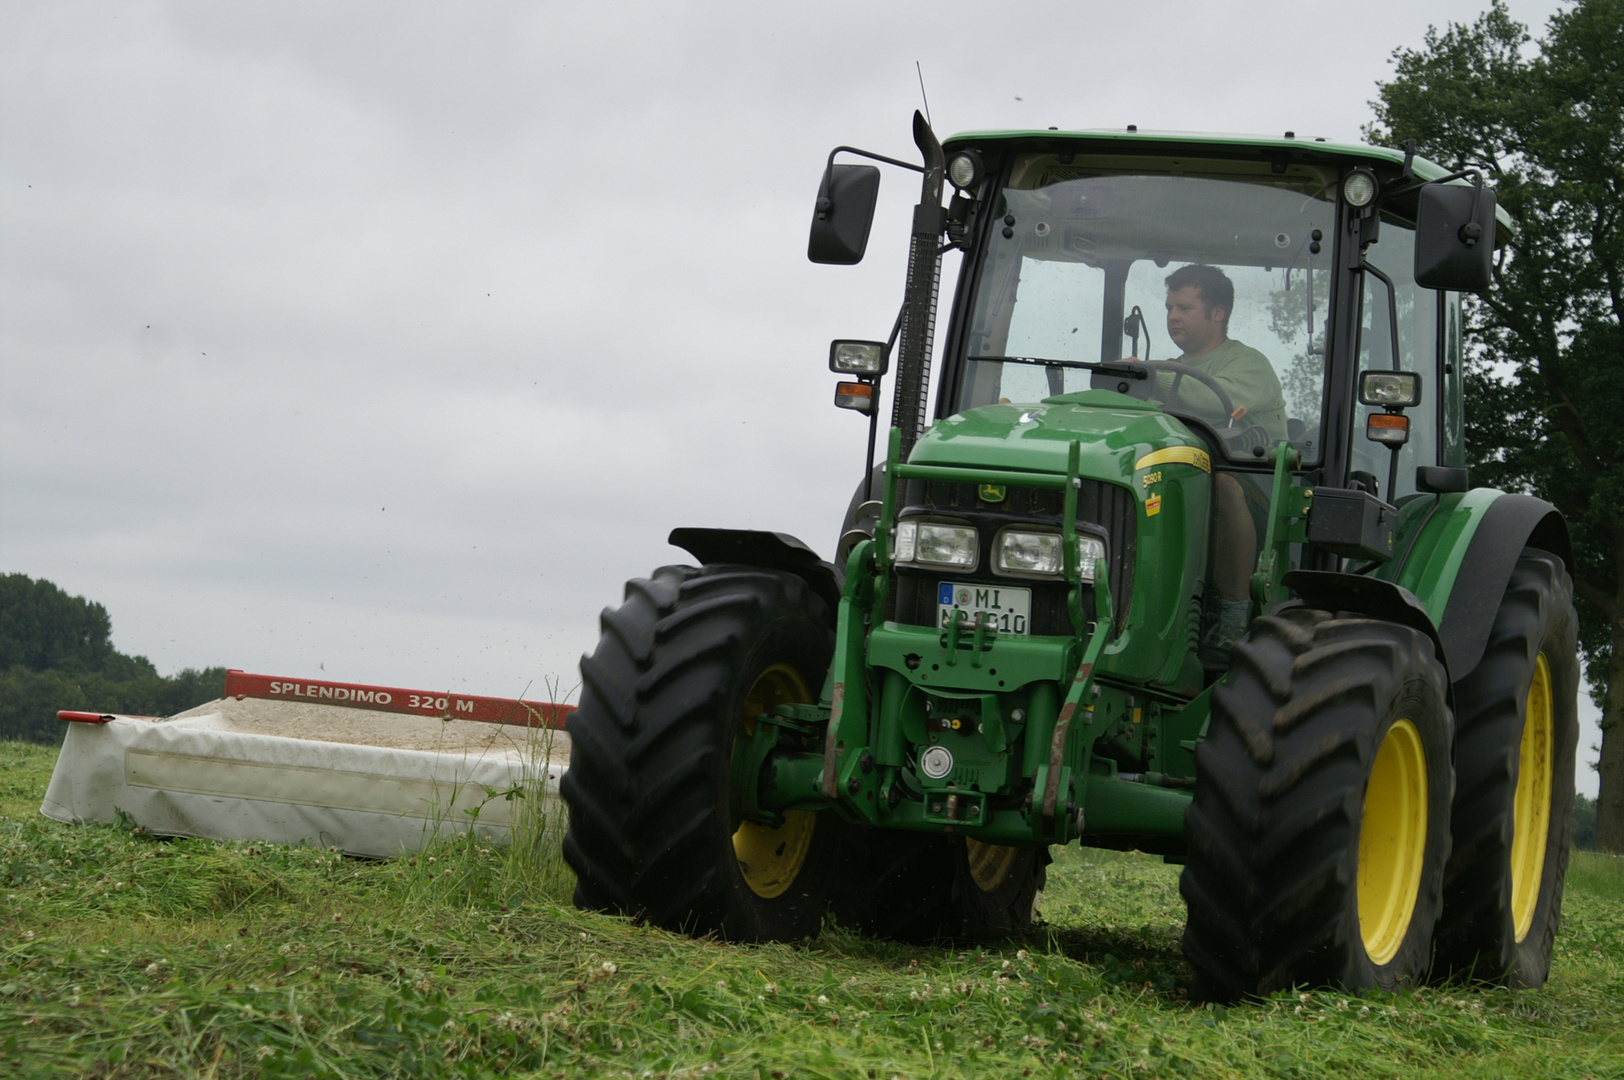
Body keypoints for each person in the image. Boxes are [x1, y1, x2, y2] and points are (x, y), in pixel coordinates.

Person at [1148, 264, 1287, 652]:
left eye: (1185, 308)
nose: (1173, 316)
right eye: (1169, 307)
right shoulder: (1169, 370)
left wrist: (1148, 376)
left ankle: (1233, 615)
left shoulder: (1246, 363)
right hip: (1192, 476)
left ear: (1217, 313)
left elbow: (1214, 400)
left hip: (1264, 494)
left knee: (1221, 485)